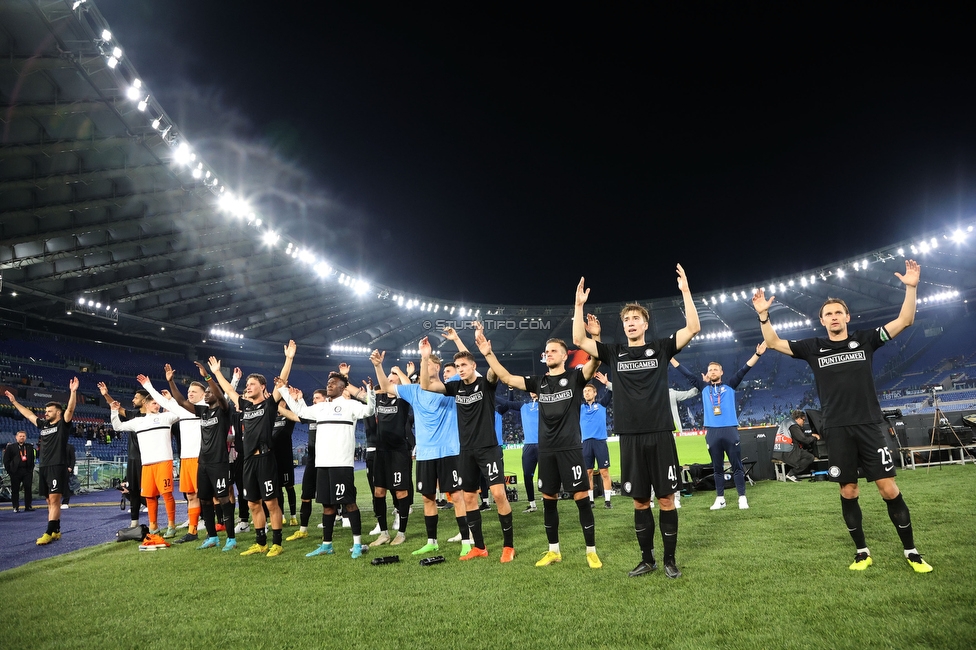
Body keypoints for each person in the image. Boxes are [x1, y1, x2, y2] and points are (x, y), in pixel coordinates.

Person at [752, 258, 932, 573]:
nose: (834, 317)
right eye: (828, 314)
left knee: (888, 487)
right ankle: (862, 552)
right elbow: (773, 342)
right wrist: (764, 315)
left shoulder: (866, 340)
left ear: (847, 317)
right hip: (836, 429)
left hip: (869, 426)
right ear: (822, 321)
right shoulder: (813, 347)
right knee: (848, 490)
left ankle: (912, 552)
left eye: (838, 312)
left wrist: (911, 288)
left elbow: (905, 320)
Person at [572, 266, 700, 579]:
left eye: (635, 319)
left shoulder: (660, 347)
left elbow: (693, 327)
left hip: (659, 434)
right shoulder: (614, 352)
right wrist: (578, 305)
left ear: (645, 323)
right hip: (629, 436)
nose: (630, 323)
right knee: (640, 501)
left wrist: (685, 291)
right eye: (626, 320)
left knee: (666, 499)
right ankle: (648, 559)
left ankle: (670, 560)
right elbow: (578, 339)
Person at [476, 321, 603, 569]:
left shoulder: (575, 377)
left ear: (565, 356)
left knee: (580, 496)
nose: (549, 354)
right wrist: (488, 354)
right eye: (547, 352)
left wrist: (595, 336)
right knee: (548, 498)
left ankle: (591, 550)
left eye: (554, 350)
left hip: (570, 449)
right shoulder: (538, 382)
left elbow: (595, 362)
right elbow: (505, 377)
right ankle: (553, 550)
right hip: (546, 450)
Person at [420, 326, 516, 563]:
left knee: (498, 493)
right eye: (458, 367)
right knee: (470, 498)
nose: (460, 370)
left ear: (473, 366)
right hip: (466, 451)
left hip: (488, 448)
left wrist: (486, 353)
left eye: (464, 365)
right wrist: (424, 358)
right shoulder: (455, 387)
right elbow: (425, 386)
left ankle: (508, 546)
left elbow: (496, 373)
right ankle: (480, 547)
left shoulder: (486, 385)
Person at [371, 345, 471, 557]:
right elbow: (386, 387)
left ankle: (465, 541)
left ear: (438, 366)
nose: (425, 365)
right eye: (423, 363)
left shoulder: (450, 387)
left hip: (448, 451)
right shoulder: (414, 391)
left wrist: (453, 345)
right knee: (427, 498)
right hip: (425, 454)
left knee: (456, 496)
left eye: (430, 363)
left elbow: (468, 370)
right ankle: (431, 541)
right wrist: (379, 366)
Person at [277, 366, 375, 559]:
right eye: (328, 383)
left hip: (342, 464)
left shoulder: (350, 406)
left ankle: (357, 544)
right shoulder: (321, 407)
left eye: (333, 384)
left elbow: (370, 410)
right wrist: (283, 391)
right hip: (322, 464)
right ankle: (326, 544)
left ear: (342, 387)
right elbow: (300, 411)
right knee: (327, 505)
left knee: (349, 504)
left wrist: (370, 393)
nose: (329, 386)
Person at [206, 342, 295, 557]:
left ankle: (277, 543)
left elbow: (282, 381)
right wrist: (217, 373)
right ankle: (261, 542)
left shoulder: (269, 404)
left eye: (252, 384)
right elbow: (227, 389)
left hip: (265, 458)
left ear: (263, 387)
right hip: (247, 462)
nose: (248, 387)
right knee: (253, 503)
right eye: (247, 384)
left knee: (271, 502)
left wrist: (289, 358)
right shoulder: (245, 405)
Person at [670, 342, 766, 510]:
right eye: (710, 369)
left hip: (730, 430)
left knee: (736, 466)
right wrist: (670, 358)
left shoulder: (730, 385)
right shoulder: (703, 387)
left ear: (721, 372)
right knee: (717, 467)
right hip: (712, 432)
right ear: (707, 373)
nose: (712, 371)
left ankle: (742, 497)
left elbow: (745, 369)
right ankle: (720, 498)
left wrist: (757, 354)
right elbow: (686, 373)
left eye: (715, 369)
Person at [5, 379, 78, 545]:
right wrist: (15, 402)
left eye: (49, 411)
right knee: (49, 500)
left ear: (58, 413)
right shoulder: (44, 425)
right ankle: (56, 530)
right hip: (44, 465)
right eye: (45, 411)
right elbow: (28, 414)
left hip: (57, 466)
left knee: (54, 500)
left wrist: (73, 392)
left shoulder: (63, 424)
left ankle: (49, 531)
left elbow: (71, 409)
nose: (45, 413)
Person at [110, 394, 181, 538]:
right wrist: (113, 411)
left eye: (158, 403)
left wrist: (170, 401)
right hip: (147, 465)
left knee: (167, 494)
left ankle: (171, 525)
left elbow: (181, 411)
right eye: (154, 403)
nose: (158, 406)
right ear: (146, 404)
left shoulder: (165, 418)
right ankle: (153, 526)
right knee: (149, 496)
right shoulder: (137, 421)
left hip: (164, 462)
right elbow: (117, 427)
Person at [366, 368, 414, 548]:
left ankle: (401, 533)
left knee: (401, 492)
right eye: (388, 380)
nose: (389, 382)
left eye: (393, 381)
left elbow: (408, 386)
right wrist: (378, 367)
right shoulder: (379, 398)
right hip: (381, 452)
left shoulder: (403, 400)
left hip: (398, 452)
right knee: (379, 492)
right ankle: (384, 533)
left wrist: (400, 373)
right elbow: (359, 394)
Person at [98, 382, 150, 527]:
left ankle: (155, 522)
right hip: (133, 459)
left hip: (148, 459)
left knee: (149, 492)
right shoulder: (134, 415)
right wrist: (105, 395)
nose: (133, 400)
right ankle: (134, 523)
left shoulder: (154, 417)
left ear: (144, 400)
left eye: (136, 397)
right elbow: (117, 408)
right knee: (132, 491)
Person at [581, 373, 613, 509]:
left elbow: (613, 391)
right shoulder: (579, 408)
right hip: (586, 443)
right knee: (588, 472)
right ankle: (591, 501)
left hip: (600, 442)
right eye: (584, 391)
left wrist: (607, 383)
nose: (586, 393)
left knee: (604, 472)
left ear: (595, 393)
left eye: (588, 391)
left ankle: (607, 501)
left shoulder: (601, 404)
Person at [773, 410, 820, 480]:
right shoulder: (794, 426)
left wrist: (810, 434)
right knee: (810, 457)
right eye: (803, 420)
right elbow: (804, 440)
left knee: (804, 453)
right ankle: (791, 473)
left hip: (779, 452)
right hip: (788, 451)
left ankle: (792, 473)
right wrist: (814, 438)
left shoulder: (787, 422)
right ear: (798, 418)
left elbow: (798, 435)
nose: (804, 422)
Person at [3, 431, 35, 512]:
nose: (22, 437)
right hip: (15, 471)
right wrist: (9, 471)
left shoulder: (29, 447)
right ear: (16, 437)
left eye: (23, 436)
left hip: (27, 471)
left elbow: (32, 459)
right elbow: (6, 460)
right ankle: (15, 507)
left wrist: (30, 470)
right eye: (20, 436)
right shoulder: (11, 447)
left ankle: (28, 506)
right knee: (15, 489)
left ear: (26, 437)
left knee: (28, 488)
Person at [519, 393, 540, 513]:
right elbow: (507, 403)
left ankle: (550, 501)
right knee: (527, 475)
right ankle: (532, 504)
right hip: (528, 445)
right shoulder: (524, 406)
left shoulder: (545, 403)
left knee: (547, 475)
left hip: (543, 444)